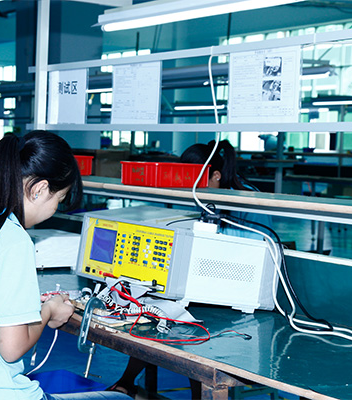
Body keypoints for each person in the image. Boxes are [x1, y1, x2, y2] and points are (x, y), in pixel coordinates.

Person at [0, 131, 132, 400]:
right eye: (59, 199)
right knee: (122, 398)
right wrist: (49, 310)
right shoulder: (13, 240)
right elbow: (11, 348)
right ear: (39, 189)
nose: (54, 208)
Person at [107, 140, 273, 398]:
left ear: (216, 175)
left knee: (192, 334)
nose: (190, 188)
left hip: (238, 293)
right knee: (154, 314)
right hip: (201, 285)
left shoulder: (248, 201)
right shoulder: (201, 194)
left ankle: (189, 394)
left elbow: (251, 252)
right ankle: (127, 381)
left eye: (194, 180)